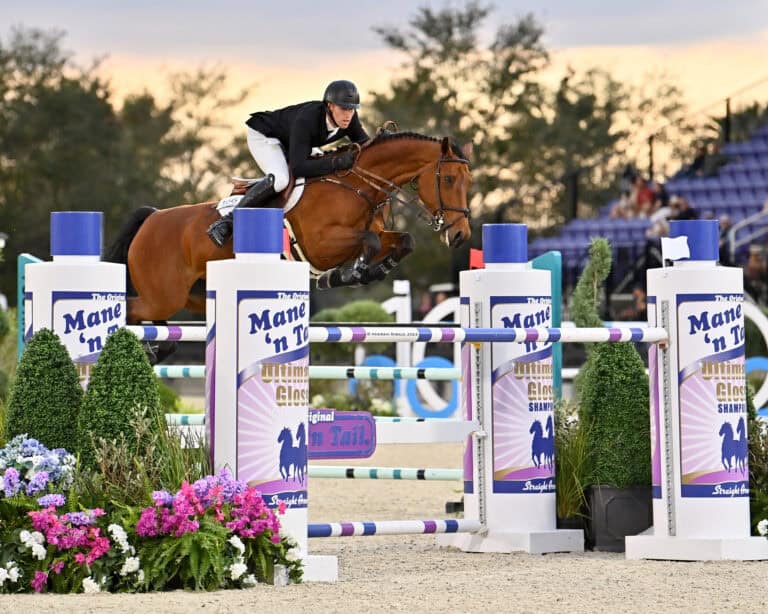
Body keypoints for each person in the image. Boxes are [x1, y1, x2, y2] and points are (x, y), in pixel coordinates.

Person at [207, 80, 371, 246]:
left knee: (320, 165)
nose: (348, 115)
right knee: (280, 179)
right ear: (330, 106)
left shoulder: (350, 120)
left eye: (352, 109)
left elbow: (367, 146)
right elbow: (299, 167)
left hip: (293, 142)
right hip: (265, 136)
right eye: (343, 108)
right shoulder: (308, 119)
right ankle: (227, 222)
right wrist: (336, 162)